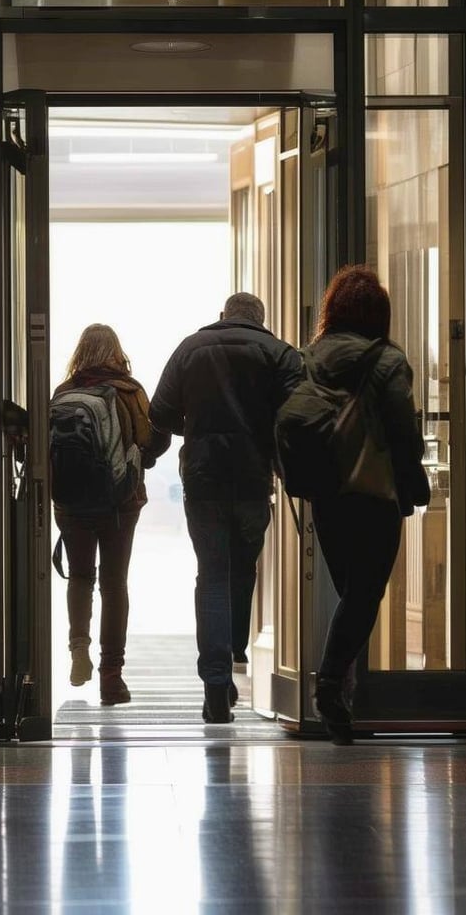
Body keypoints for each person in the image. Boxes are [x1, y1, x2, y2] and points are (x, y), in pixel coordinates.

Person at [149, 293, 303, 723]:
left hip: (204, 478)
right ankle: (234, 649)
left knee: (212, 574)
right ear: (261, 320)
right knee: (243, 569)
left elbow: (158, 413)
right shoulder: (279, 353)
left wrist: (195, 428)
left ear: (222, 316)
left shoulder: (190, 349)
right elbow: (299, 414)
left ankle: (216, 684)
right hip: (254, 478)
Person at [301, 265, 430, 744]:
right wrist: (413, 483)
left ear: (332, 310)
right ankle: (332, 684)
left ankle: (340, 694)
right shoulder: (389, 361)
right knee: (365, 594)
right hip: (375, 491)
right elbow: (402, 430)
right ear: (380, 314)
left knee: (350, 592)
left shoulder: (310, 358)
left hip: (327, 494)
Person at [52, 324, 170, 705]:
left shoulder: (64, 393)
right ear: (116, 352)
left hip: (70, 504)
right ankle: (111, 676)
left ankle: (77, 649)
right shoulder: (129, 392)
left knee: (80, 576)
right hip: (119, 504)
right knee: (114, 583)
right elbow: (153, 441)